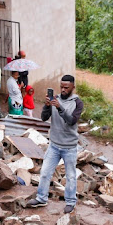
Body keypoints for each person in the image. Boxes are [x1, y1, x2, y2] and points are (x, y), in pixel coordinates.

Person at [26, 75, 84, 214]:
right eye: (61, 87)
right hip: (54, 145)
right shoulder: (54, 99)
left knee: (70, 176)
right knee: (45, 173)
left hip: (69, 146)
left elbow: (71, 121)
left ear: (72, 88)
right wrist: (47, 106)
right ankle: (41, 198)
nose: (63, 90)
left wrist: (60, 108)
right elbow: (44, 118)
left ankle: (70, 202)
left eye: (66, 88)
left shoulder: (77, 103)